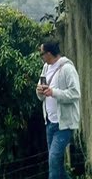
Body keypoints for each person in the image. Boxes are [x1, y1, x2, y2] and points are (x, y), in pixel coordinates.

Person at [37, 38, 82, 179]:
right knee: (57, 165)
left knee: (54, 160)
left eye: (41, 54)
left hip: (64, 124)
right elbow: (41, 94)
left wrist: (54, 92)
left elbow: (75, 93)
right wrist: (39, 91)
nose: (41, 57)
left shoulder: (67, 68)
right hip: (50, 122)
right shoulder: (45, 68)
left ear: (49, 53)